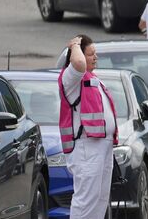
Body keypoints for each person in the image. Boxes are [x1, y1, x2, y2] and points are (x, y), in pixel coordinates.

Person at [57, 34, 119, 219]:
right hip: (87, 146)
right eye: (90, 53)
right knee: (86, 199)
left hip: (102, 145)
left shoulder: (93, 78)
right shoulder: (72, 77)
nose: (95, 57)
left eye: (95, 53)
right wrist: (75, 44)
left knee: (100, 198)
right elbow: (78, 63)